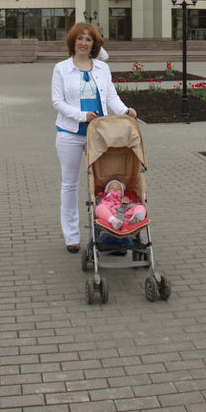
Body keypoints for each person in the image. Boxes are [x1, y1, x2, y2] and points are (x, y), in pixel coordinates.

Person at [52, 22, 137, 253]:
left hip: (99, 135)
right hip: (70, 134)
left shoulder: (101, 68)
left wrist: (124, 111)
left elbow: (111, 95)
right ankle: (72, 235)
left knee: (104, 183)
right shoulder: (61, 68)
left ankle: (109, 232)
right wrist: (81, 116)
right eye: (79, 38)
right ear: (72, 42)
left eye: (88, 39)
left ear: (94, 44)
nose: (83, 43)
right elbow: (57, 102)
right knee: (70, 184)